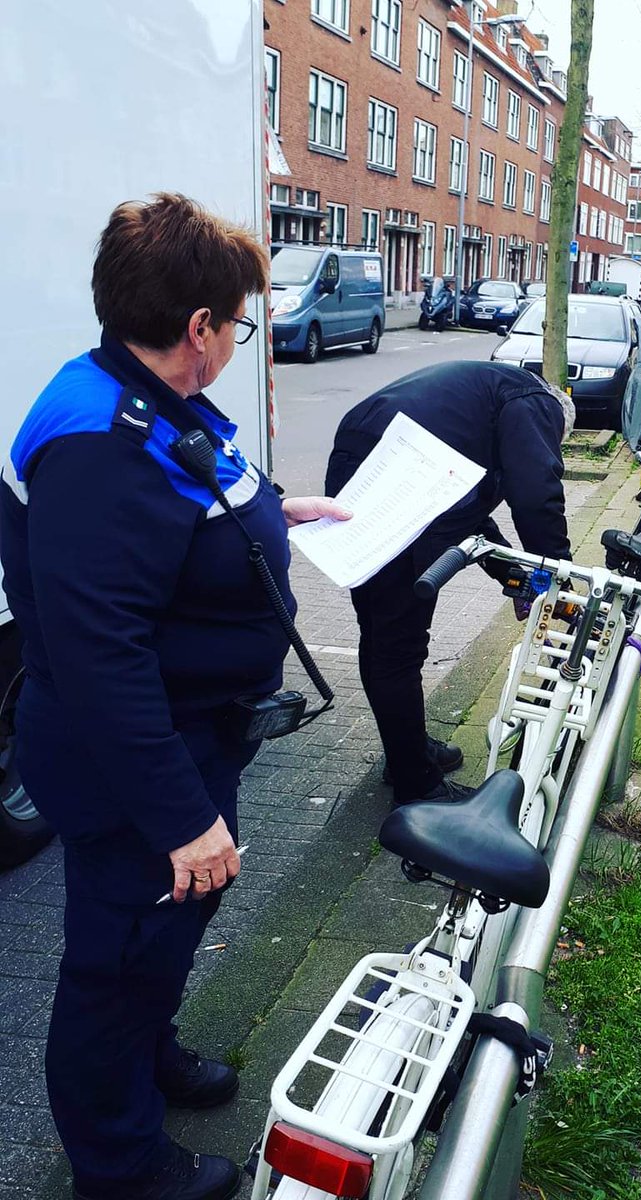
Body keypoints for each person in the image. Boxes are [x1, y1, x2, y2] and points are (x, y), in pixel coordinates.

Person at [0, 195, 349, 1200]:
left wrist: (274, 512)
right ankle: (118, 1162)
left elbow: (184, 494)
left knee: (162, 932)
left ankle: (147, 1056)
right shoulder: (96, 447)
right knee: (114, 958)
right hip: (132, 769)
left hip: (194, 736)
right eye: (238, 322)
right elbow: (97, 657)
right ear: (199, 328)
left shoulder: (145, 391)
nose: (238, 337)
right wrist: (181, 818)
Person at [325, 361, 574, 804]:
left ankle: (408, 753)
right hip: (402, 470)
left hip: (369, 453)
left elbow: (467, 519)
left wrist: (517, 576)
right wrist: (560, 577)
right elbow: (536, 496)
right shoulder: (536, 403)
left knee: (386, 632)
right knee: (396, 640)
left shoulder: (487, 398)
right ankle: (415, 786)